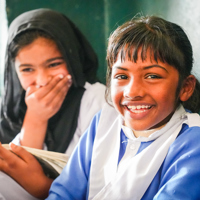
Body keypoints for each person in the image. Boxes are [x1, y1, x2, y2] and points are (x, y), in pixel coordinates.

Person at [1, 15, 200, 200]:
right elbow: (65, 192)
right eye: (121, 76)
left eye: (152, 76)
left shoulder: (192, 141)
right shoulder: (104, 121)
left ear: (185, 87)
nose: (133, 92)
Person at [0, 8, 106, 156]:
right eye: (27, 69)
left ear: (72, 59)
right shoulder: (11, 112)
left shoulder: (97, 100)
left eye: (54, 64)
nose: (42, 81)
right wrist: (36, 118)